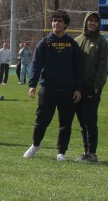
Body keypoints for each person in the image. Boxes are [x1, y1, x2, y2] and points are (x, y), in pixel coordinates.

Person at [24, 10, 83, 161]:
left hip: (67, 90)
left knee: (65, 123)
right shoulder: (44, 43)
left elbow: (78, 68)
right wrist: (32, 85)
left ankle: (61, 152)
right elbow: (36, 65)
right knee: (42, 120)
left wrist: (78, 88)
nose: (56, 23)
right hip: (48, 89)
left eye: (60, 21)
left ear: (65, 24)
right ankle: (35, 145)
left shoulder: (72, 44)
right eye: (54, 20)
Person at [73, 11, 108, 162]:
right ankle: (86, 151)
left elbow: (103, 66)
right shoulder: (77, 40)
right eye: (90, 20)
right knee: (82, 122)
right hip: (77, 87)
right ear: (86, 22)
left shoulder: (102, 42)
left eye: (95, 21)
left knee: (90, 121)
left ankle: (92, 153)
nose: (92, 23)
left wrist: (97, 86)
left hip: (91, 87)